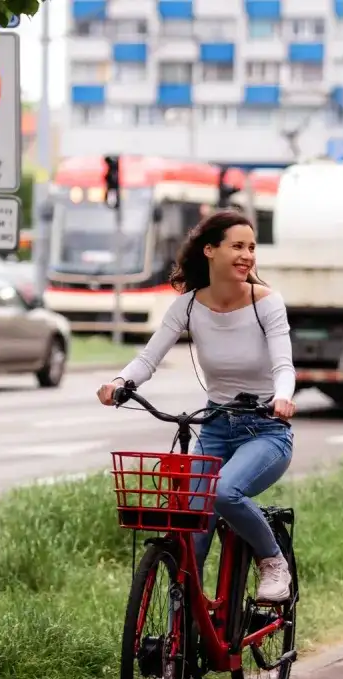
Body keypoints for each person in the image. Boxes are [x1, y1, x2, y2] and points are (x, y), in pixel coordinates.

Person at [98, 209, 296, 605]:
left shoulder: (266, 303)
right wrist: (121, 382)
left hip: (267, 429)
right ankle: (183, 631)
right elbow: (149, 358)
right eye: (237, 246)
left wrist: (283, 395)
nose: (247, 255)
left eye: (251, 247)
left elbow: (283, 365)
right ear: (209, 250)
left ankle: (272, 560)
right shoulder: (188, 306)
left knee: (223, 493)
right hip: (216, 427)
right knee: (191, 525)